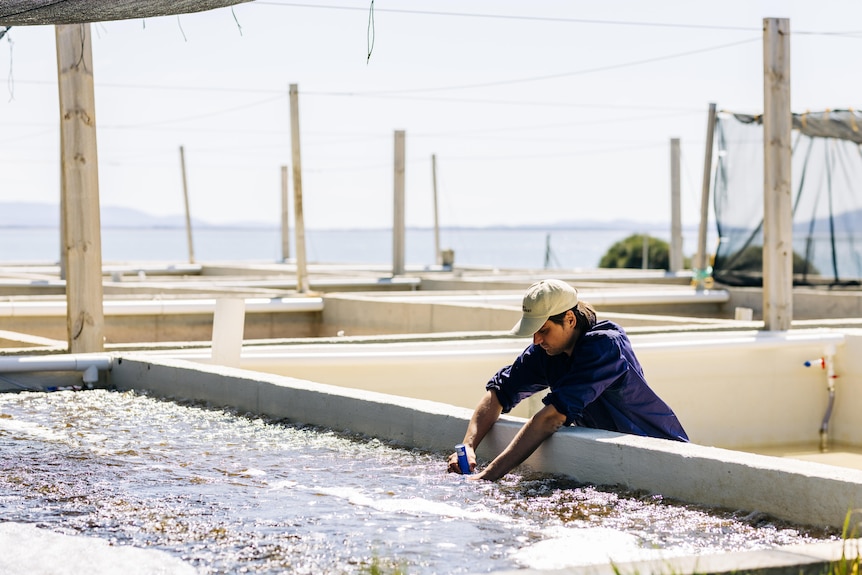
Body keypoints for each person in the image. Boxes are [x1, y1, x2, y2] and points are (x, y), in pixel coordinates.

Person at [447, 279, 688, 480]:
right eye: (533, 331)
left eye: (543, 330)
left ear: (570, 320)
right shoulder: (545, 352)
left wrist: (487, 476)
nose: (536, 340)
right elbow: (498, 393)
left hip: (664, 454)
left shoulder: (605, 346)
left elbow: (551, 417)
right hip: (614, 460)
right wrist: (468, 445)